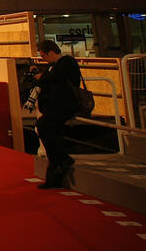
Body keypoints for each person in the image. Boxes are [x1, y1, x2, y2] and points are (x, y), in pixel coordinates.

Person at [33, 39, 82, 188]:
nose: (43, 59)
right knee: (49, 133)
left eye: (43, 56)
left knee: (45, 128)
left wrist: (42, 77)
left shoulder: (67, 62)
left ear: (51, 52)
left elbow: (58, 79)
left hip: (64, 107)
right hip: (56, 108)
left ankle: (59, 163)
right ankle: (59, 165)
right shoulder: (53, 66)